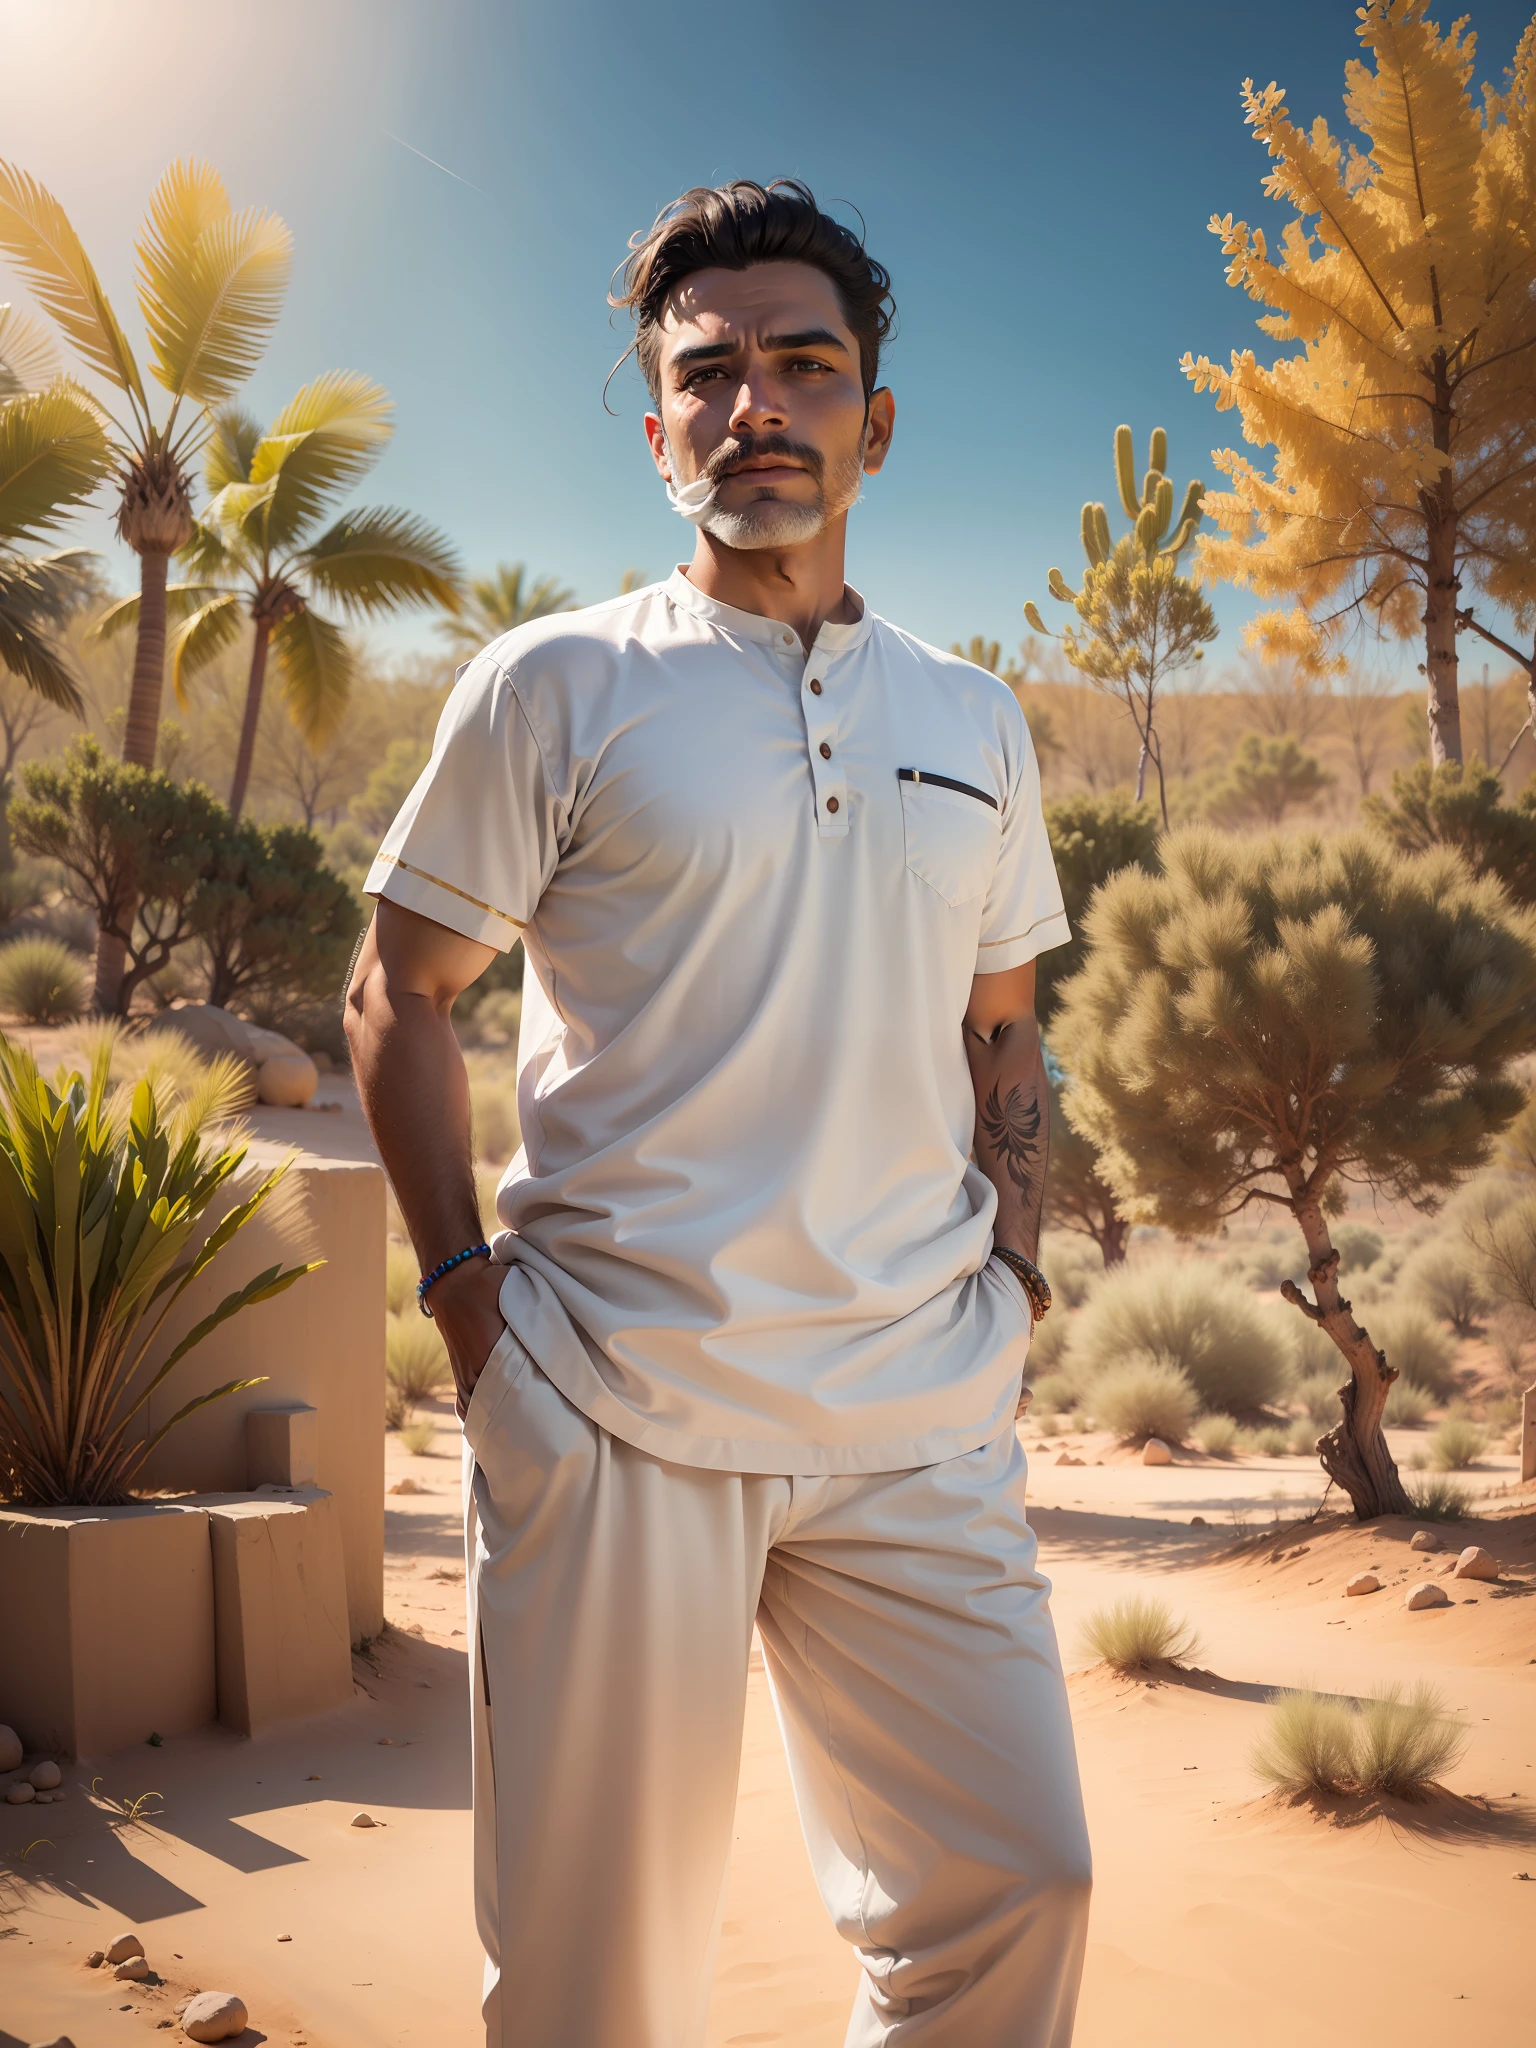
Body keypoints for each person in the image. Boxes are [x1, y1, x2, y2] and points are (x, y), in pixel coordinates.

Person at [346, 177, 1090, 2048]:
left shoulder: (975, 715)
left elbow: (1010, 1038)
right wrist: (470, 1318)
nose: (755, 404)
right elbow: (396, 995)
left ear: (877, 420)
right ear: (662, 416)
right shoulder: (560, 687)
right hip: (614, 1401)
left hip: (917, 1414)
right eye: (708, 371)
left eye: (804, 366)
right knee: (599, 1986)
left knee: (1016, 1893)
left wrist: (1013, 1279)